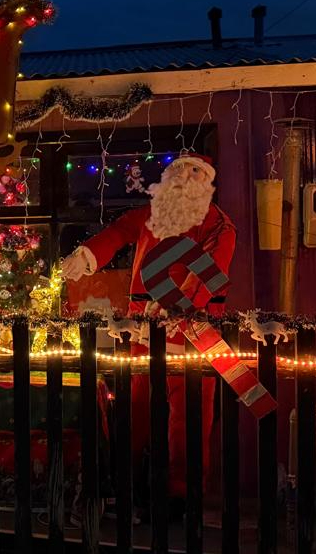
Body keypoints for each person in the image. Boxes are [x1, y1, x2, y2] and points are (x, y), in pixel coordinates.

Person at [60, 154, 235, 512]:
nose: (186, 175)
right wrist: (88, 255)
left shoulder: (218, 225)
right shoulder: (152, 214)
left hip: (191, 332)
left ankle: (181, 492)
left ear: (207, 181)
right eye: (180, 169)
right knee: (134, 405)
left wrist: (179, 303)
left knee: (189, 414)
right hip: (142, 328)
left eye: (195, 170)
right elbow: (120, 231)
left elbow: (211, 270)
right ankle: (129, 481)